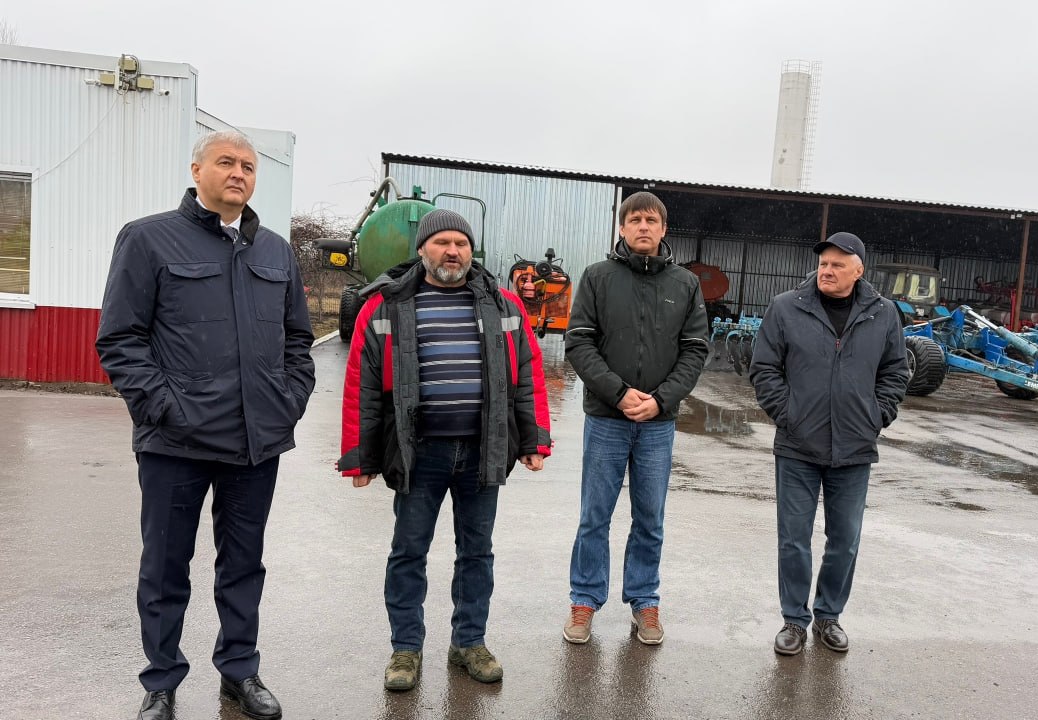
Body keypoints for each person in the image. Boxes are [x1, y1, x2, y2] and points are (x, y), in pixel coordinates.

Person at [97, 130, 315, 720]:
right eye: (226, 162)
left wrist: (288, 401)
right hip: (175, 443)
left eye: (248, 165)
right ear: (197, 170)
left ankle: (239, 671)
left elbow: (299, 341)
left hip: (256, 442)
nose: (239, 172)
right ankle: (161, 681)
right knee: (165, 567)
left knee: (243, 564)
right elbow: (120, 340)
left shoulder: (275, 251)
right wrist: (165, 409)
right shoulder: (148, 239)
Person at [337, 208, 552, 691]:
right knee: (408, 551)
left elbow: (527, 374)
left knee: (476, 552)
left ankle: (469, 642)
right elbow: (362, 384)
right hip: (418, 453)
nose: (452, 251)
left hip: (483, 451)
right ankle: (405, 649)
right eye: (442, 242)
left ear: (471, 251)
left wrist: (534, 438)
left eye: (461, 243)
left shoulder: (503, 304)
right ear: (422, 249)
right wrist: (360, 456)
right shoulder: (387, 305)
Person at [748, 231, 909, 656]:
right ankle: (793, 621)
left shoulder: (883, 314)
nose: (828, 270)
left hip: (854, 448)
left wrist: (877, 415)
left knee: (845, 541)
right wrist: (788, 415)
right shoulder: (787, 307)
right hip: (798, 446)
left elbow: (896, 371)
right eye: (823, 263)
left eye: (838, 264)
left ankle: (829, 616)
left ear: (859, 271)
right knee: (793, 539)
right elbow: (764, 368)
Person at [562, 191, 709, 646]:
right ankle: (585, 600)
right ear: (622, 228)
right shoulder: (598, 277)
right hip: (607, 418)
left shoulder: (685, 284)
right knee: (594, 516)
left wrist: (661, 400)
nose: (643, 226)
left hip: (657, 424)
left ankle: (645, 601)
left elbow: (695, 349)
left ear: (664, 229)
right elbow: (579, 342)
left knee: (650, 518)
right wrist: (620, 393)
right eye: (635, 219)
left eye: (651, 220)